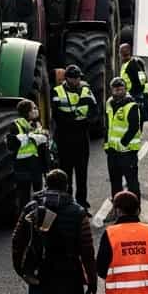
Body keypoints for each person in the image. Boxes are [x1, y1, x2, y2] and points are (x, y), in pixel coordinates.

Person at [12, 169, 97, 294]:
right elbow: (87, 250)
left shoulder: (32, 208)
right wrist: (92, 280)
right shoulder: (77, 213)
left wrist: (22, 271)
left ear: (46, 184)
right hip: (67, 277)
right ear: (67, 186)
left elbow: (17, 241)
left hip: (39, 274)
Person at [52, 64, 97, 209]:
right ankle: (67, 203)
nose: (76, 81)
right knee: (66, 173)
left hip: (81, 136)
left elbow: (94, 110)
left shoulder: (86, 90)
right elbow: (57, 115)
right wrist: (75, 120)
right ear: (67, 79)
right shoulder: (57, 92)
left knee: (82, 172)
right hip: (64, 136)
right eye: (73, 78)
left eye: (78, 78)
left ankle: (82, 203)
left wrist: (85, 122)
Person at [7, 98, 49, 211]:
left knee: (39, 198)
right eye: (34, 108)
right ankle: (24, 223)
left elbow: (43, 144)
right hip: (23, 167)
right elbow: (12, 143)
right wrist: (32, 138)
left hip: (36, 167)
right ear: (27, 112)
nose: (37, 110)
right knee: (24, 200)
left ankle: (38, 222)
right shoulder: (15, 125)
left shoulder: (36, 124)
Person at [104, 78, 143, 202]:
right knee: (115, 182)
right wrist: (107, 145)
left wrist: (123, 143)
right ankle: (118, 206)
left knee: (132, 182)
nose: (118, 92)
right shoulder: (109, 103)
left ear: (125, 90)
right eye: (116, 90)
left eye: (121, 89)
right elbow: (108, 125)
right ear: (112, 90)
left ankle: (135, 207)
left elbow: (134, 127)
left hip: (127, 151)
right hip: (113, 151)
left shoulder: (131, 105)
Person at [118, 42, 148, 120]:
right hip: (134, 96)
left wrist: (135, 96)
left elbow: (142, 81)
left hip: (136, 97)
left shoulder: (133, 65)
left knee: (136, 122)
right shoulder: (126, 64)